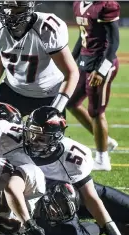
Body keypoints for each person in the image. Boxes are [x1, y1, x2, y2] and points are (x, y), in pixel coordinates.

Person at [0, 106, 128, 235]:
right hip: (48, 204)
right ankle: (107, 227)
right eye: (32, 133)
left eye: (42, 137)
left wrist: (113, 232)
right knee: (68, 232)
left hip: (77, 191)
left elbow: (90, 197)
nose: (34, 140)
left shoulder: (73, 157)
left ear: (56, 138)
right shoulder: (16, 139)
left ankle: (113, 225)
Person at [0, 1, 79, 117]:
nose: (11, 12)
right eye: (8, 7)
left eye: (17, 8)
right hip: (12, 90)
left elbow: (71, 73)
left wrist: (57, 107)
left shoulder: (46, 28)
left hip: (48, 96)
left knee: (46, 133)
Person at [67, 1, 120, 171]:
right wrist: (70, 60)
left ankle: (103, 159)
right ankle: (106, 140)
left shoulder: (106, 5)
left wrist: (102, 70)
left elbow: (114, 42)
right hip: (85, 60)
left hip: (101, 63)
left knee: (96, 112)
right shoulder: (78, 4)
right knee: (70, 102)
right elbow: (83, 36)